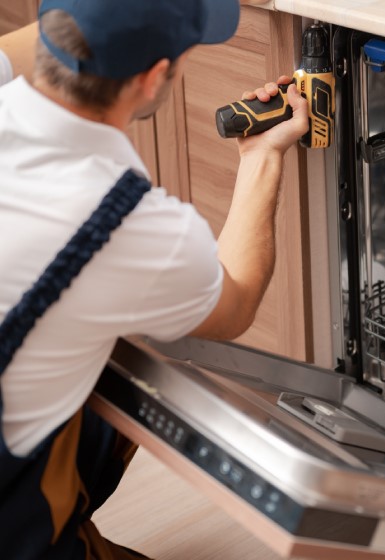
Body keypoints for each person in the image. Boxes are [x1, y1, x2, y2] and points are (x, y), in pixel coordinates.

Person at [0, 0, 309, 558]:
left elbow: (45, 38)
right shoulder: (120, 224)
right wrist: (263, 153)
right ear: (152, 79)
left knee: (117, 376)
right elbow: (235, 300)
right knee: (137, 371)